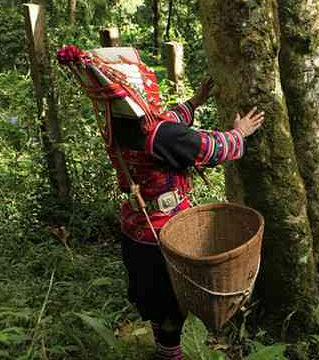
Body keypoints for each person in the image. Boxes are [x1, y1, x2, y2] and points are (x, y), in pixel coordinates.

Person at [57, 45, 264, 360]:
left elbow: (168, 122)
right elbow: (210, 148)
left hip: (136, 230)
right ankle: (169, 355)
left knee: (155, 302)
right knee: (171, 306)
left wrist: (194, 102)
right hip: (166, 234)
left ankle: (165, 349)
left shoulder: (118, 127)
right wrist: (240, 132)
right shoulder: (160, 134)